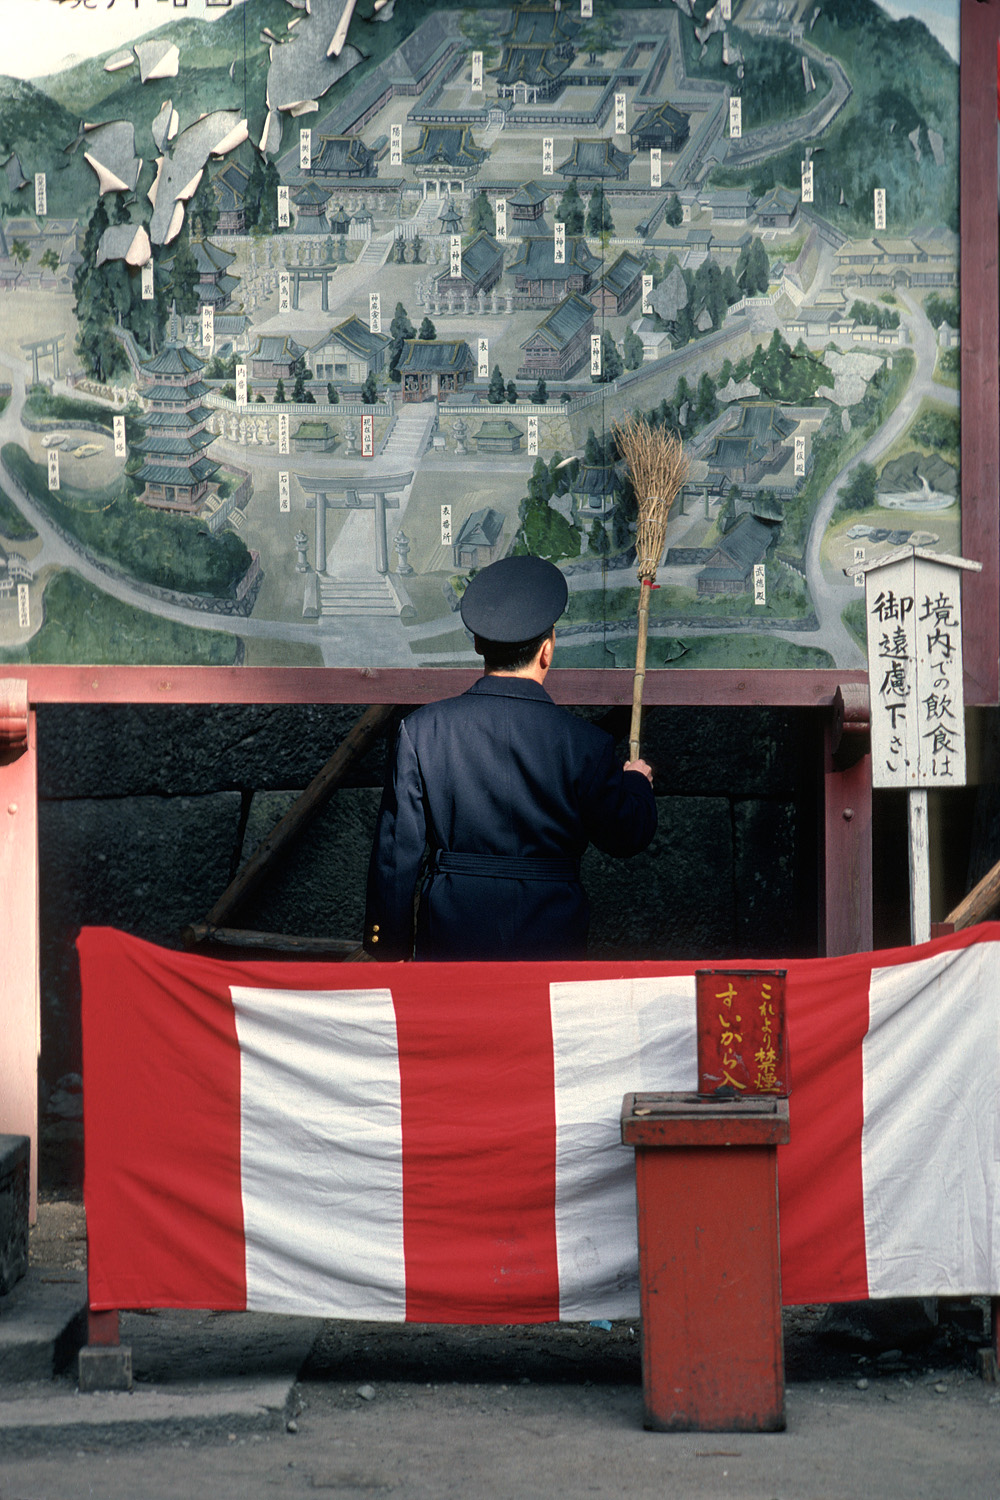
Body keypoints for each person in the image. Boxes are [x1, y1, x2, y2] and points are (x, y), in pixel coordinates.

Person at [364, 555, 656, 961]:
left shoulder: (422, 731)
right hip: (551, 931)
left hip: (452, 929)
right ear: (547, 650)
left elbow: (397, 855)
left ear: (479, 644)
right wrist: (636, 782)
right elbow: (625, 834)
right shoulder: (586, 744)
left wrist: (389, 947)